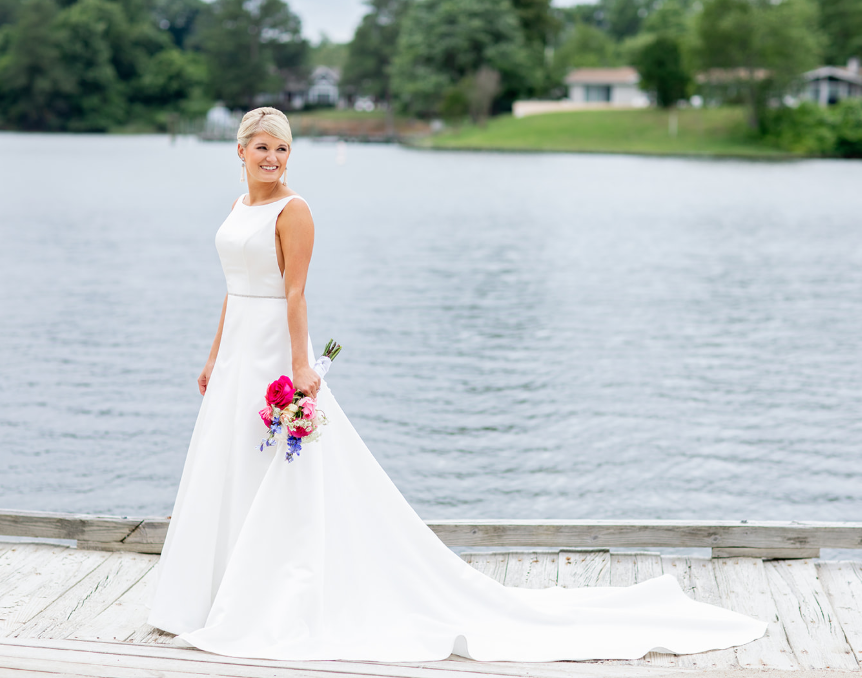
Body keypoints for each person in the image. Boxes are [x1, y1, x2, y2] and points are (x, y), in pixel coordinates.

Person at [145, 107, 768, 662]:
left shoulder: (294, 210)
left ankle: (271, 594)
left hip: (275, 355)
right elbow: (233, 289)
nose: (273, 158)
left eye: (283, 149)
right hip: (235, 357)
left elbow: (296, 291)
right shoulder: (237, 208)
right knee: (225, 466)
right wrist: (213, 356)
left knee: (283, 470)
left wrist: (302, 367)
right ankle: (214, 591)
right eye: (263, 148)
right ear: (240, 151)